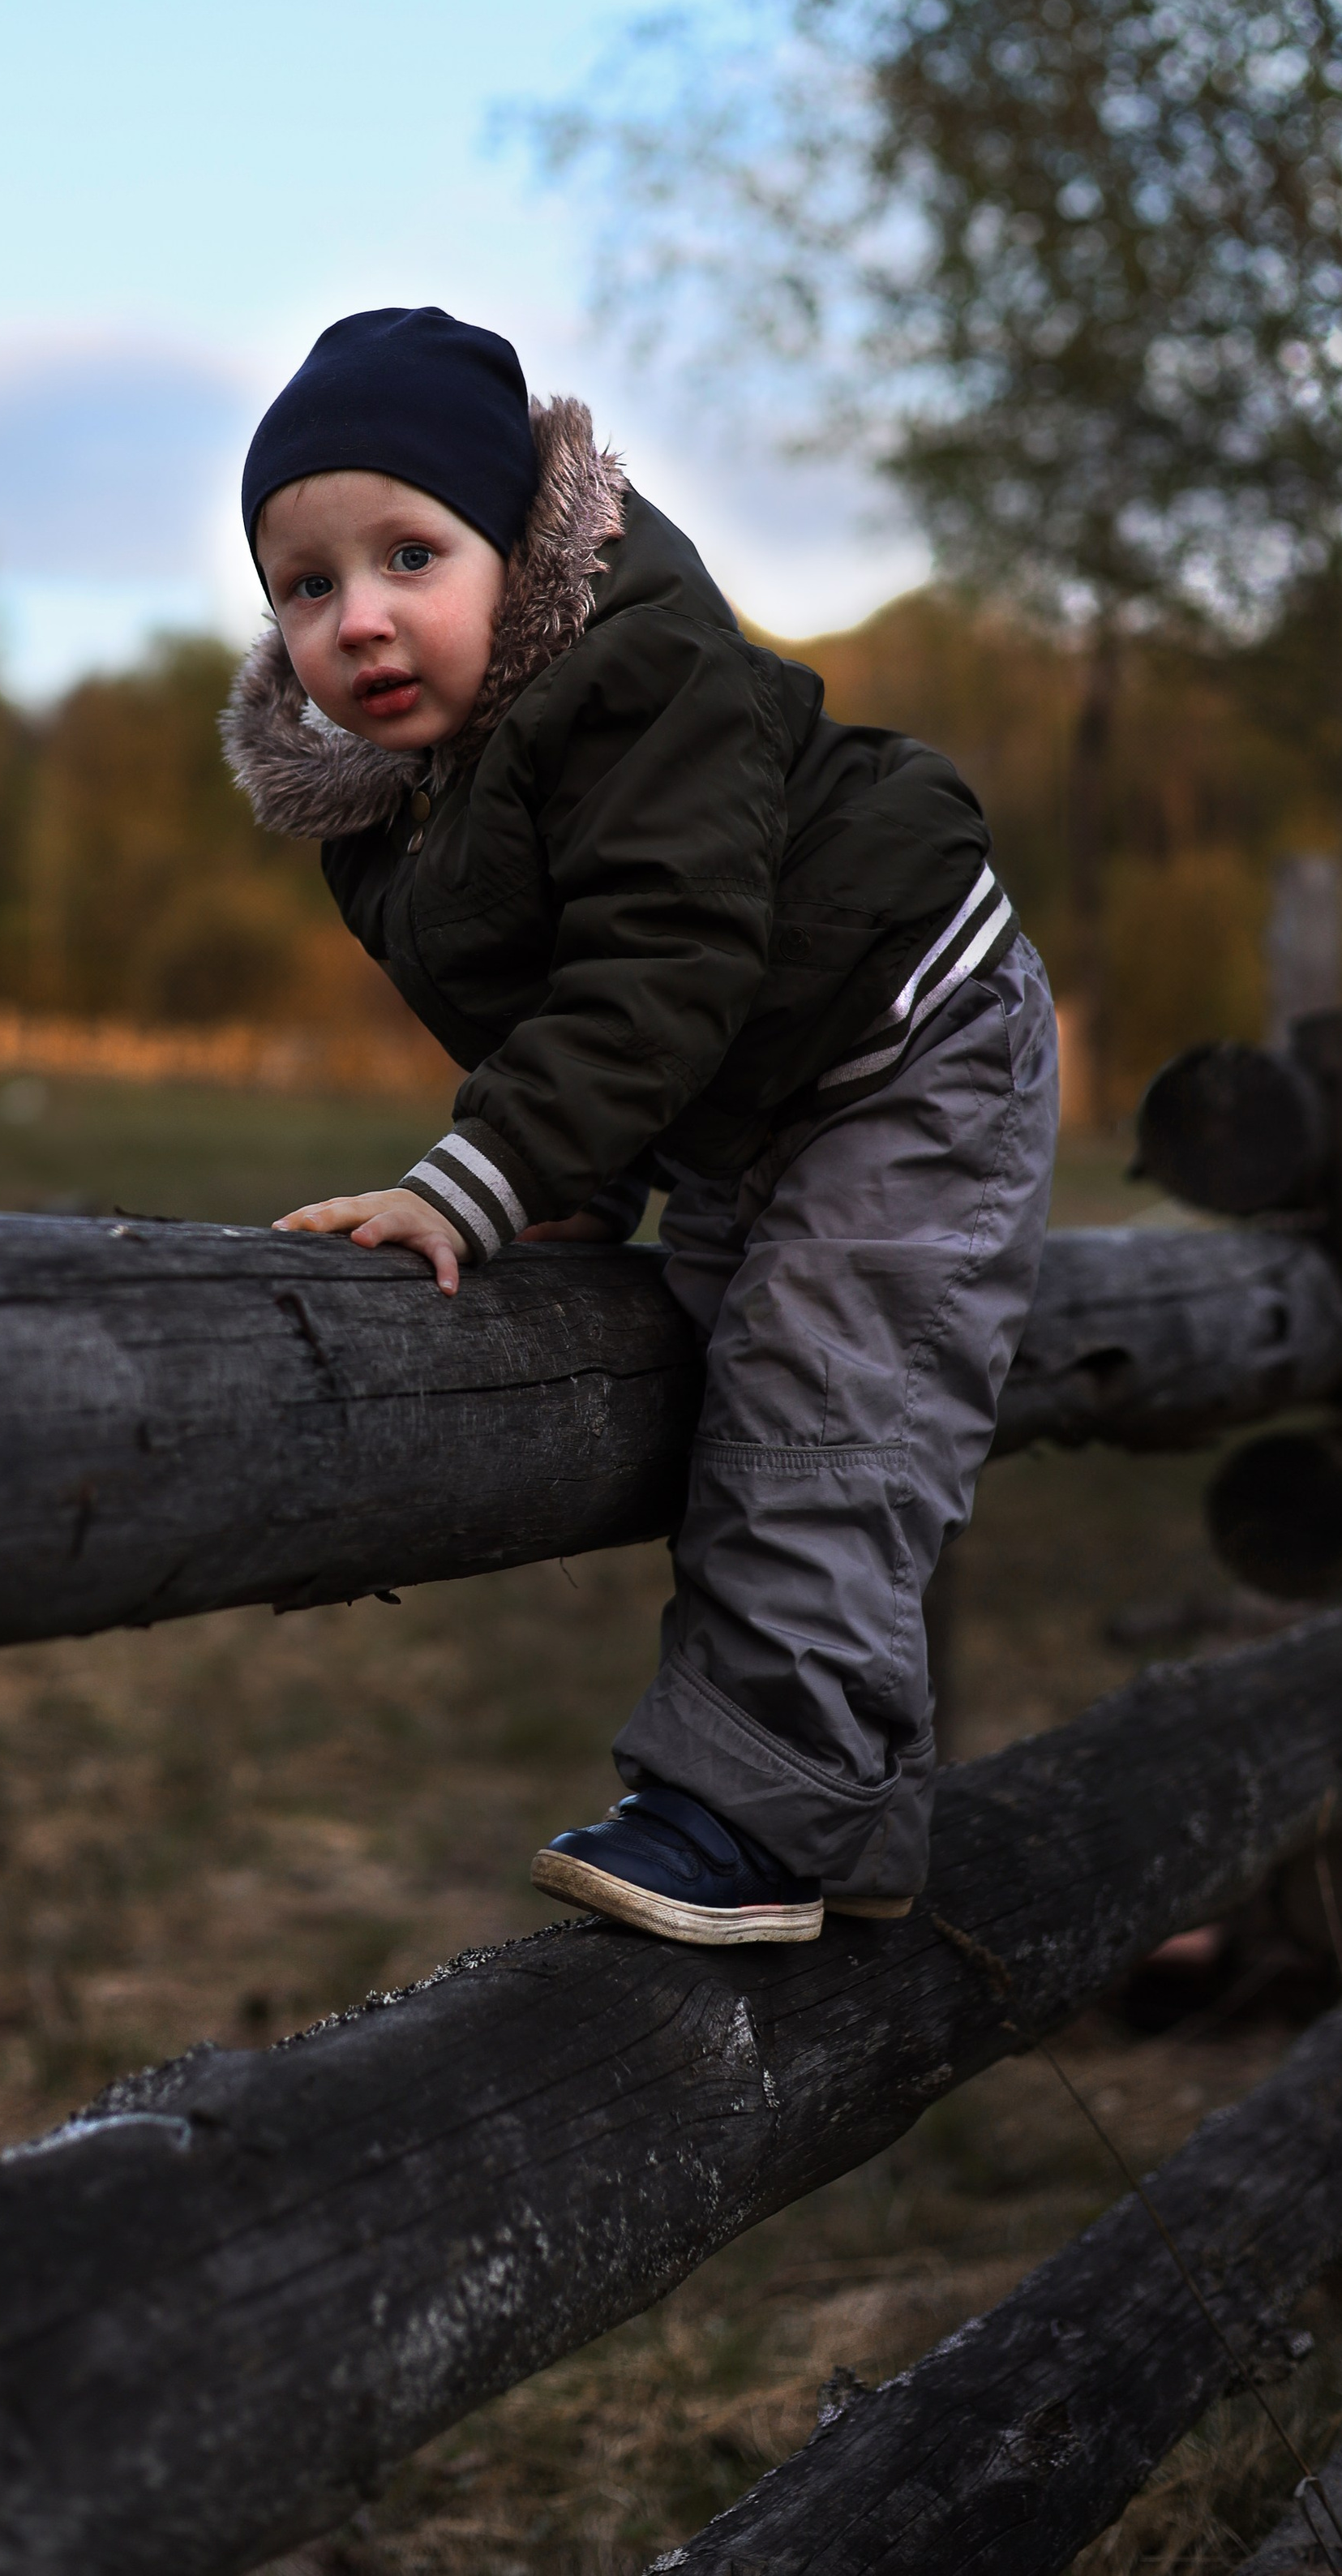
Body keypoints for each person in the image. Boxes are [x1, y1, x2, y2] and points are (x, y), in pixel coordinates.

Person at [221, 305, 1058, 1946]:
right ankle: (855, 1815)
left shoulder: (637, 669)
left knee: (824, 1392)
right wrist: (571, 1184)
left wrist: (476, 1180)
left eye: (408, 553)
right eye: (306, 587)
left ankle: (753, 1814)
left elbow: (663, 954)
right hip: (747, 1093)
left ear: (518, 545)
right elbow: (546, 1003)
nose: (360, 619)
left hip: (901, 1033)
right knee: (724, 1359)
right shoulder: (400, 809)